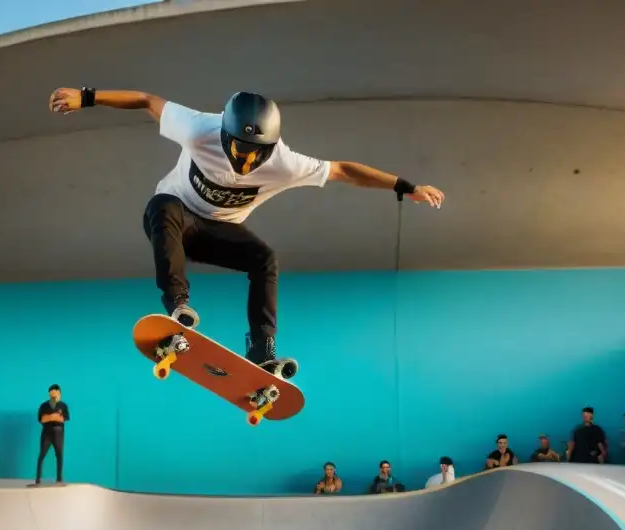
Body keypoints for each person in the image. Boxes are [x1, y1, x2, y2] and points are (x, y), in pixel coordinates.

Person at [48, 87, 445, 374]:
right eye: (239, 150)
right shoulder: (198, 128)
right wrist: (88, 96)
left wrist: (406, 187)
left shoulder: (286, 163)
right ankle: (177, 304)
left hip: (218, 233)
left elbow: (343, 170)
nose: (246, 161)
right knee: (163, 204)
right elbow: (149, 101)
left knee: (265, 259)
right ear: (224, 133)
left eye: (256, 155)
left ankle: (262, 349)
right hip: (173, 222)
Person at [32, 384, 69, 486]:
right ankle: (38, 479)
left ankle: (59, 479)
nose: (53, 394)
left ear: (59, 393)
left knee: (59, 455)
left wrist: (50, 417)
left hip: (58, 432)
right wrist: (54, 416)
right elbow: (42, 419)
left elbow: (62, 419)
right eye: (51, 392)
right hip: (46, 432)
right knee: (42, 455)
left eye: (55, 392)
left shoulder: (63, 405)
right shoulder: (44, 405)